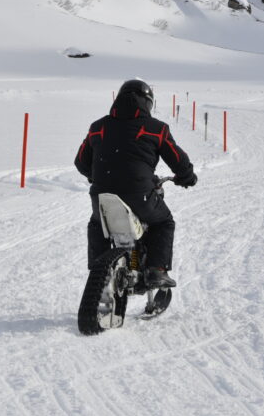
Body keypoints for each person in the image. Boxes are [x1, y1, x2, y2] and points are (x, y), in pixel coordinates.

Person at [74, 79, 197, 288]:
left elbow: (80, 162)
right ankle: (156, 270)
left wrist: (94, 175)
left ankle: (98, 270)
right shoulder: (157, 129)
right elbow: (179, 160)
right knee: (164, 222)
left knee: (97, 224)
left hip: (101, 194)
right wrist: (187, 176)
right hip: (139, 193)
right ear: (148, 103)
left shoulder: (97, 127)